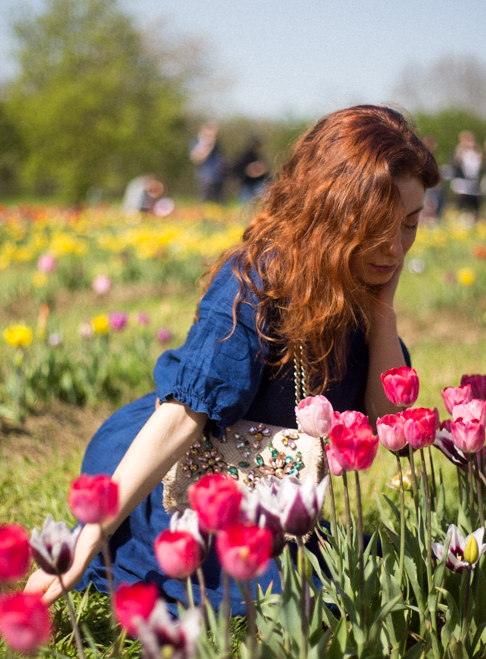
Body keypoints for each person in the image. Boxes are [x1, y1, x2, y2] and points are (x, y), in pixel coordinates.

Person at [25, 105, 440, 614]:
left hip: (265, 487)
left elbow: (387, 423)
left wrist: (382, 313)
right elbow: (182, 416)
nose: (396, 248)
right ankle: (118, 543)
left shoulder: (363, 288)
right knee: (289, 594)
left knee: (358, 579)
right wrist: (89, 535)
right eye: (380, 226)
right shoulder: (256, 284)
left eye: (411, 226)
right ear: (333, 209)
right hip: (179, 473)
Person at [189, 121, 228, 203]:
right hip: (205, 177)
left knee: (219, 202)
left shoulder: (217, 143)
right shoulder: (197, 142)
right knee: (205, 202)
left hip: (218, 176)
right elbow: (196, 159)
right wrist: (208, 146)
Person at [450, 130, 482, 216]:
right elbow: (455, 163)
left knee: (474, 202)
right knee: (462, 202)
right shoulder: (459, 151)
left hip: (472, 181)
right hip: (462, 181)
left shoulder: (476, 152)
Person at [231, 136, 269, 204]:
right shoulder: (248, 156)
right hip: (247, 183)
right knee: (248, 203)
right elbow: (249, 170)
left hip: (251, 183)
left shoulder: (255, 155)